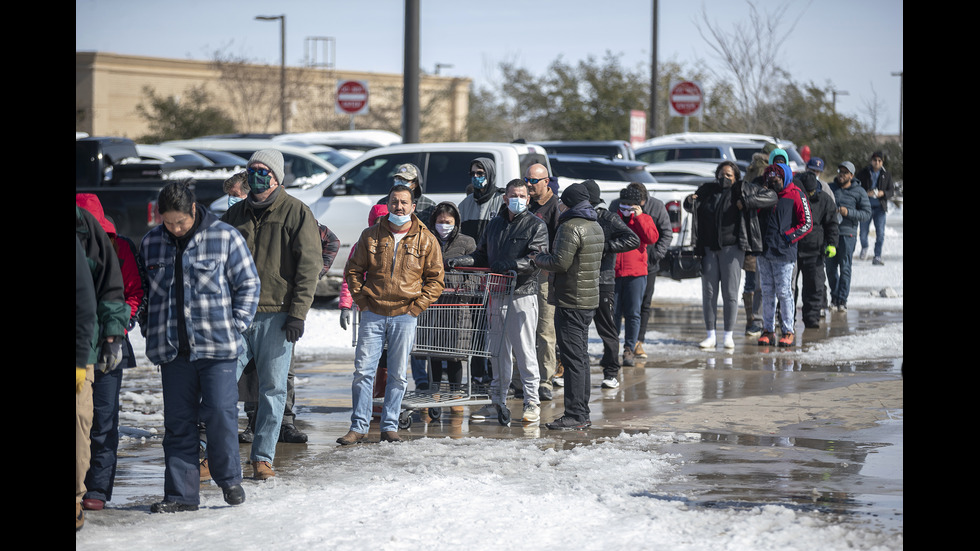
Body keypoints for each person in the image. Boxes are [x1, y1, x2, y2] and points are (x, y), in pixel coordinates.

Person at [140, 181, 260, 513]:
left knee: (221, 414)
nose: (175, 228)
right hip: (172, 351)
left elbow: (249, 283)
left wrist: (236, 325)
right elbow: (145, 295)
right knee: (178, 423)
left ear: (194, 210)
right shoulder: (151, 243)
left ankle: (229, 479)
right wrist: (149, 328)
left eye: (180, 221)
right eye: (168, 222)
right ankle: (181, 495)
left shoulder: (225, 237)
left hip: (217, 348)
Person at [221, 149, 323, 480]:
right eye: (251, 171)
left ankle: (262, 458)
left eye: (262, 171)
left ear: (276, 177)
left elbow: (309, 266)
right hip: (236, 315)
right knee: (219, 386)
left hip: (277, 315)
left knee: (273, 389)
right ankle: (214, 456)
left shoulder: (297, 212)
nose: (255, 176)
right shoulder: (234, 215)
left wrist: (298, 313)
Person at [339, 184, 445, 444]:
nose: (398, 207)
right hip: (373, 312)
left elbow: (436, 279)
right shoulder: (371, 235)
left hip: (405, 315)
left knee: (397, 374)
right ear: (388, 204)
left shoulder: (426, 238)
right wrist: (362, 301)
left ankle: (389, 425)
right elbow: (353, 270)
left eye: (403, 202)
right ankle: (359, 427)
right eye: (394, 202)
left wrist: (417, 307)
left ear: (413, 207)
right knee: (363, 371)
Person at [449, 179, 550, 423]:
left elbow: (537, 257)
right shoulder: (495, 224)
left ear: (528, 198)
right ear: (505, 198)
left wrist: (514, 264)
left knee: (524, 351)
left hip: (521, 293)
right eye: (513, 195)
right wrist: (465, 261)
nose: (518, 199)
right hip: (495, 293)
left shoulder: (536, 225)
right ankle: (497, 400)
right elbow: (482, 253)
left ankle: (531, 401)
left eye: (522, 196)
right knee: (497, 352)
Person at [237, 217, 340, 446]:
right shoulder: (241, 219)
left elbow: (331, 241)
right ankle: (254, 421)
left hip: (282, 308)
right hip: (248, 305)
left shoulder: (293, 216)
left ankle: (284, 422)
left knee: (283, 369)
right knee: (249, 370)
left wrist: (314, 273)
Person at [76, 194, 145, 513]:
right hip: (81, 345)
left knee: (103, 419)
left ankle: (98, 487)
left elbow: (131, 291)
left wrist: (118, 329)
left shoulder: (119, 248)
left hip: (109, 345)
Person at [531, 183, 603, 430]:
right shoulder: (594, 225)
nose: (559, 203)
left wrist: (538, 258)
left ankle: (575, 414)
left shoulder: (570, 226)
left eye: (563, 200)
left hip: (570, 300)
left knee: (573, 360)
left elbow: (560, 263)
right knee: (580, 358)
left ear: (569, 203)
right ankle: (581, 412)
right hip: (587, 300)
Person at [683, 161, 777, 349]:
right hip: (708, 248)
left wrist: (748, 202)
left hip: (732, 248)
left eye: (728, 175)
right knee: (709, 293)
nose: (724, 178)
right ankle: (710, 335)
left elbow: (771, 197)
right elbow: (690, 204)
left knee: (730, 293)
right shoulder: (707, 190)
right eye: (721, 174)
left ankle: (728, 335)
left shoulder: (741, 189)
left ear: (736, 177)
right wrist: (689, 201)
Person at [75, 204, 128, 531]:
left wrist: (112, 336)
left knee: (89, 421)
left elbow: (107, 291)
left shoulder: (88, 230)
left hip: (86, 346)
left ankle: (82, 493)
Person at [377, 163, 436, 391]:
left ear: (416, 183)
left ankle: (421, 381)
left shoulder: (429, 206)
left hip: (417, 281)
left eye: (407, 180)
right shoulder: (386, 204)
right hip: (391, 285)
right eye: (398, 179)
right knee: (390, 347)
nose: (402, 184)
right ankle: (385, 393)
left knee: (418, 337)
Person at [582, 180, 639, 389]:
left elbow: (633, 240)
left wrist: (606, 247)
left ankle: (611, 371)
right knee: (577, 329)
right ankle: (572, 370)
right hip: (580, 281)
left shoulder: (607, 217)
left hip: (603, 281)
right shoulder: (576, 217)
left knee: (606, 328)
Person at [609, 182, 672, 360]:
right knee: (613, 313)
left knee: (634, 312)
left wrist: (639, 217)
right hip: (615, 271)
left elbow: (652, 237)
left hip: (637, 271)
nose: (626, 209)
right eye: (624, 205)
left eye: (631, 206)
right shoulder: (614, 214)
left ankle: (631, 347)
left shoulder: (646, 216)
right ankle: (612, 348)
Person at [457, 157, 503, 385]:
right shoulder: (465, 205)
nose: (476, 177)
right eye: (473, 173)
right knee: (476, 326)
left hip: (495, 273)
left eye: (481, 173)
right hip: (473, 275)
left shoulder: (500, 202)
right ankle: (477, 373)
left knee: (496, 327)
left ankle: (498, 374)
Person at [756, 164, 812, 347]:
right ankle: (768, 330)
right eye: (770, 180)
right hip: (764, 251)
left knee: (784, 292)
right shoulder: (765, 194)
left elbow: (807, 222)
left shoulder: (796, 194)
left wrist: (789, 237)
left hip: (784, 252)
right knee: (767, 291)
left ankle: (788, 330)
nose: (773, 183)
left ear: (784, 178)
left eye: (777, 180)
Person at [427, 201, 476, 404]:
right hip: (433, 303)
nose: (444, 225)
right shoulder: (427, 240)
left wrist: (468, 287)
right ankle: (435, 391)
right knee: (433, 349)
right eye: (440, 221)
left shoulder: (467, 242)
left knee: (456, 352)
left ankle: (456, 393)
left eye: (448, 222)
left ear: (456, 222)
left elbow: (478, 269)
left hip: (458, 303)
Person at [525, 163, 562, 401]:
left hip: (544, 275)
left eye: (533, 181)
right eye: (526, 180)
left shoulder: (555, 207)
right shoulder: (522, 203)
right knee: (521, 329)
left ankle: (545, 380)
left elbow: (560, 244)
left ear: (546, 182)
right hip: (521, 273)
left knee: (545, 330)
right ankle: (521, 380)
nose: (529, 185)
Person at [794, 169, 839, 329]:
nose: (810, 194)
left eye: (813, 191)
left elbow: (832, 224)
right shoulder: (794, 197)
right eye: (808, 192)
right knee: (790, 287)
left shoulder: (825, 199)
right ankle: (787, 318)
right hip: (793, 249)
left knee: (814, 285)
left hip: (816, 250)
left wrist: (832, 244)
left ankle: (811, 319)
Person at [826, 161, 872, 313]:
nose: (841, 174)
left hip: (848, 234)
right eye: (840, 171)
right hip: (830, 236)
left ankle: (842, 299)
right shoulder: (830, 188)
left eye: (845, 172)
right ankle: (834, 296)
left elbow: (866, 214)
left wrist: (849, 213)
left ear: (851, 176)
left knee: (845, 268)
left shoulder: (859, 191)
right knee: (830, 269)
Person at [855, 151, 895, 265]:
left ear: (882, 162)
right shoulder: (864, 172)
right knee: (863, 232)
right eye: (875, 160)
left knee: (880, 233)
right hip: (865, 207)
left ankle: (877, 256)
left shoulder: (886, 174)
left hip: (880, 208)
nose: (877, 163)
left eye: (879, 161)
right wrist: (865, 193)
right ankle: (864, 247)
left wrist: (883, 193)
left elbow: (891, 191)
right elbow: (856, 185)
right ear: (871, 161)